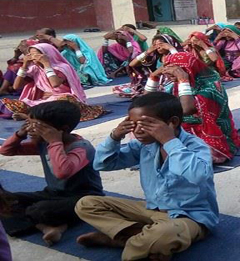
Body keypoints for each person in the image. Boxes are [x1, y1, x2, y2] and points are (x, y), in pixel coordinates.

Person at [74, 92, 218, 261]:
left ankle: (128, 239)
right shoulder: (144, 146)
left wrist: (169, 141)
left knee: (164, 234)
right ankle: (143, 239)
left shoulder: (195, 146)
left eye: (145, 124)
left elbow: (198, 175)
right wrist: (115, 136)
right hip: (151, 209)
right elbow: (103, 164)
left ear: (172, 122)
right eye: (133, 124)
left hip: (189, 217)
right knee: (86, 204)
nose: (136, 131)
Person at [0, 101, 104, 245]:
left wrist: (55, 142)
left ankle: (48, 221)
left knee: (40, 209)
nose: (31, 130)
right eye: (29, 124)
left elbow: (62, 173)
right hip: (53, 194)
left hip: (84, 198)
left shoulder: (82, 148)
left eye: (38, 127)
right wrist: (20, 134)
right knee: (4, 201)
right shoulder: (44, 144)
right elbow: (6, 150)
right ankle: (47, 226)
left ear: (62, 129)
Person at [146, 52, 240, 163]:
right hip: (180, 125)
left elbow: (187, 109)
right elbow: (146, 103)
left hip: (206, 128)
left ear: (189, 70)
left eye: (177, 71)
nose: (170, 75)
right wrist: (154, 76)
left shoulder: (210, 87)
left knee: (204, 153)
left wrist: (183, 80)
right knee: (144, 126)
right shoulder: (174, 85)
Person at [1, 43, 105, 121]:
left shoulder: (63, 68)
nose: (33, 57)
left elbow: (55, 84)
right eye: (31, 55)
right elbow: (16, 86)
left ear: (47, 55)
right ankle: (34, 114)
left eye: (36, 55)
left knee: (66, 101)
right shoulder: (35, 68)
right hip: (42, 101)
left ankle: (30, 115)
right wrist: (24, 65)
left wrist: (47, 65)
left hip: (60, 99)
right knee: (9, 104)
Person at [116, 34, 183, 98]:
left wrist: (171, 48)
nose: (158, 47)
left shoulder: (179, 54)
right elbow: (132, 64)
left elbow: (180, 62)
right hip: (158, 81)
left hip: (173, 82)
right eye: (155, 45)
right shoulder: (156, 57)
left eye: (161, 44)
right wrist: (147, 52)